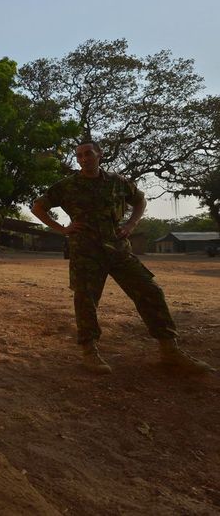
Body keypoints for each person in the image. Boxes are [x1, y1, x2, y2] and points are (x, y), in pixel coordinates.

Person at [31, 140, 214, 375]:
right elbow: (38, 207)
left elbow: (140, 200)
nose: (83, 159)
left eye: (88, 154)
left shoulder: (117, 182)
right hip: (86, 252)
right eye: (79, 156)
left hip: (118, 249)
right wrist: (61, 229)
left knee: (150, 290)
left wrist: (131, 223)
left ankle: (169, 350)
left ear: (100, 154)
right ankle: (90, 352)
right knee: (86, 300)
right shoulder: (67, 186)